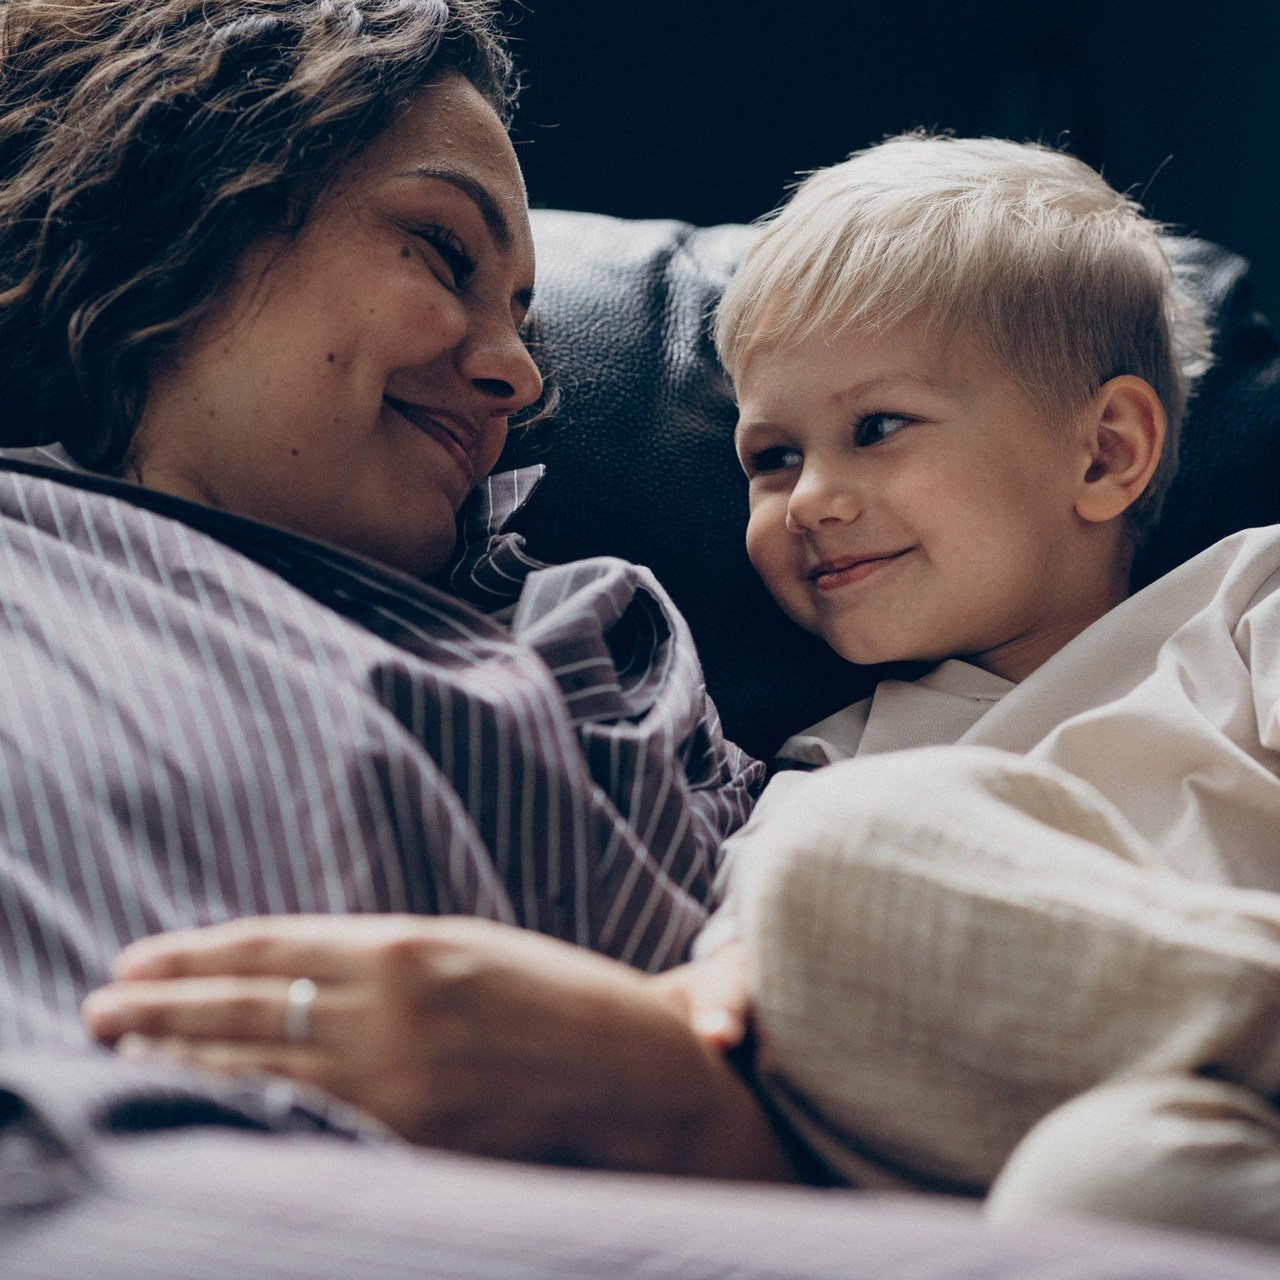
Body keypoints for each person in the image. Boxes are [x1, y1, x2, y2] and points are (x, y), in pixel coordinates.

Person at [88, 132, 1280, 1247]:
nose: (807, 497)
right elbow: (749, 1024)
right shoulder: (813, 769)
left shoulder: (1241, 605)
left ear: (1103, 453)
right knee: (1097, 1182)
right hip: (1055, 1164)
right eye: (770, 457)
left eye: (876, 426)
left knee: (847, 863)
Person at [0, 0, 792, 1183]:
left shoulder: (590, 651)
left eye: (522, 314)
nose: (519, 372)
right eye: (442, 249)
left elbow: (831, 1087)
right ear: (172, 214)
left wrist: (690, 1114)